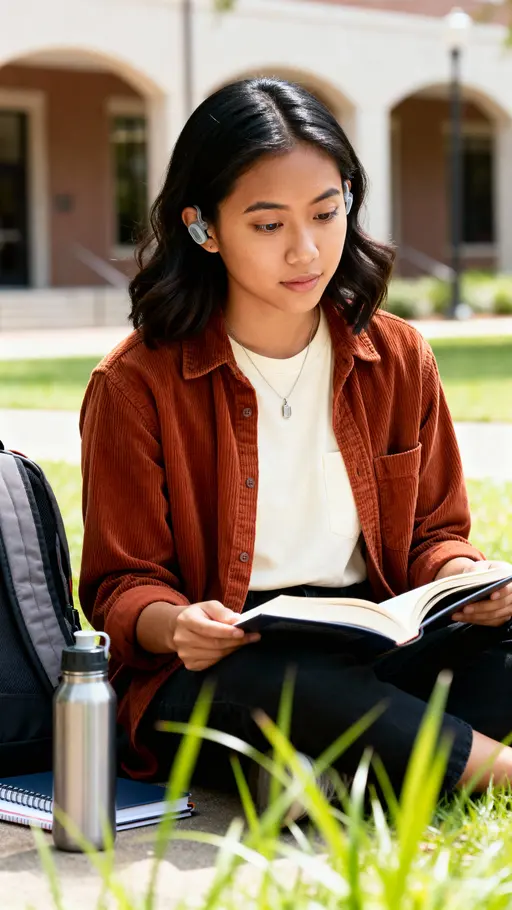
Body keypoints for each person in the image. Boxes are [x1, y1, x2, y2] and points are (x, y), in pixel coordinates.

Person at [80, 77, 512, 818]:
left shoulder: (398, 356)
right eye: (268, 225)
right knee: (283, 683)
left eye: (326, 211)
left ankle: (335, 767)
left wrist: (469, 581)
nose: (307, 249)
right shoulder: (135, 383)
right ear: (203, 228)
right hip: (223, 667)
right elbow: (122, 584)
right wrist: (178, 623)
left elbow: (436, 536)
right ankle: (485, 768)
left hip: (372, 642)